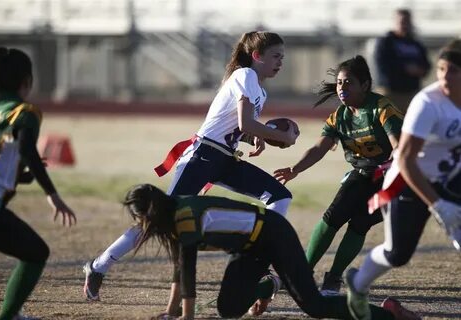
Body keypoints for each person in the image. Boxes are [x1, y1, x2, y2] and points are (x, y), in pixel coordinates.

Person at [83, 31, 299, 301]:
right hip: (203, 157)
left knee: (279, 196)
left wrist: (256, 137)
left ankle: (259, 261)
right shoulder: (245, 76)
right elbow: (244, 123)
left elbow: (235, 126)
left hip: (225, 159)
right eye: (276, 56)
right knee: (158, 218)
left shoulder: (260, 89)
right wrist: (280, 135)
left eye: (283, 57)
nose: (281, 62)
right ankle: (98, 265)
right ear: (256, 56)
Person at [122, 183, 418, 320]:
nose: (140, 224)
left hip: (275, 235)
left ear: (152, 212)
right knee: (228, 310)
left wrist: (186, 319)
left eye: (139, 218)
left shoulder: (184, 215)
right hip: (250, 250)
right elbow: (178, 268)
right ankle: (270, 283)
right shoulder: (174, 219)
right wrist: (172, 313)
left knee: (314, 306)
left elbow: (189, 270)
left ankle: (389, 314)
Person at [345, 39, 461, 320]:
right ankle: (357, 284)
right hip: (408, 181)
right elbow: (406, 159)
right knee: (398, 253)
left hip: (449, 179)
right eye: (441, 68)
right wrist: (438, 205)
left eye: (454, 70)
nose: (445, 75)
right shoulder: (428, 103)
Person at [274, 55, 403, 296]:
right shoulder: (339, 116)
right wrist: (295, 169)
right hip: (362, 173)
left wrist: (390, 164)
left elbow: (400, 145)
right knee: (333, 217)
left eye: (348, 82)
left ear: (365, 86)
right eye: (340, 82)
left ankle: (333, 278)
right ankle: (303, 270)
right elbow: (318, 148)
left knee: (359, 224)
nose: (342, 88)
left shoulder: (381, 107)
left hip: (392, 178)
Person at [0, 47, 77, 320]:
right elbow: (28, 150)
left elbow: (2, 153)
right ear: (27, 81)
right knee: (36, 253)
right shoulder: (24, 112)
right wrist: (52, 194)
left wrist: (21, 176)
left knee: (33, 250)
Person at [374, 8, 431, 113]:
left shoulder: (416, 44)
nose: (404, 25)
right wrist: (405, 69)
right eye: (401, 21)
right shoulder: (386, 42)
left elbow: (426, 65)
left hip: (411, 93)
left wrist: (419, 70)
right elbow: (383, 65)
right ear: (395, 22)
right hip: (391, 93)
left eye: (407, 21)